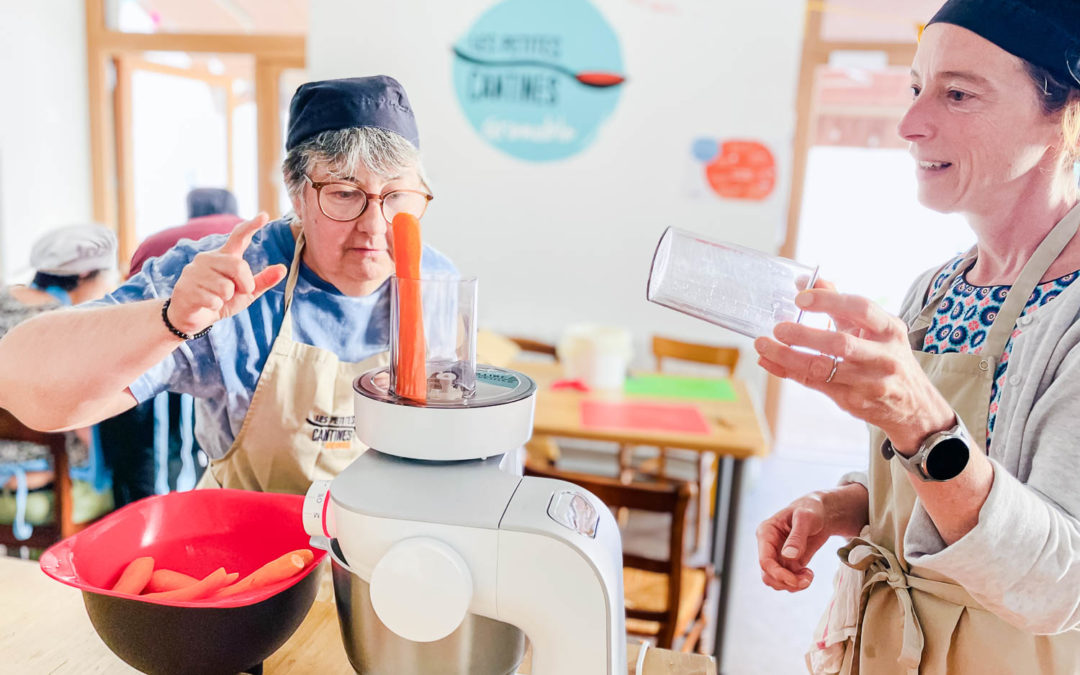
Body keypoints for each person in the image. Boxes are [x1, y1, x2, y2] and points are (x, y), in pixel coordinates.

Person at [754, 1, 1080, 672]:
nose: (908, 123)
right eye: (915, 88)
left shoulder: (1068, 316)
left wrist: (921, 419)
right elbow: (918, 490)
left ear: (1066, 113)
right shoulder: (936, 291)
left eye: (957, 93)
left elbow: (1060, 585)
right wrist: (842, 505)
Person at [0, 75, 451, 495]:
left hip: (387, 559)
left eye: (395, 196)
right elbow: (21, 382)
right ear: (296, 193)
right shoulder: (230, 276)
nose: (373, 226)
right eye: (344, 193)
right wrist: (170, 321)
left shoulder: (439, 287)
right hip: (249, 556)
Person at [96, 189, 242, 506]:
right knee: (180, 456)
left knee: (142, 457)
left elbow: (128, 299)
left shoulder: (157, 241)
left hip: (139, 353)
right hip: (199, 351)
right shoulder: (246, 233)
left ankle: (136, 524)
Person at [0, 224, 117, 539]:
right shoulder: (67, 322)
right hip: (53, 480)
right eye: (106, 277)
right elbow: (79, 415)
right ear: (83, 276)